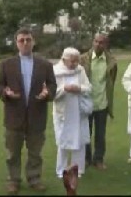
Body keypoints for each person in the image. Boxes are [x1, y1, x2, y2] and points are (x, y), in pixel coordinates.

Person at [0, 27, 57, 195]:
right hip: (14, 116)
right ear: (16, 43)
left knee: (35, 153)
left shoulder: (45, 64)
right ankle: (13, 181)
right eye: (22, 40)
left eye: (28, 40)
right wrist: (5, 93)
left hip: (37, 116)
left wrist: (47, 93)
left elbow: (52, 85)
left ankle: (34, 179)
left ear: (33, 42)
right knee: (12, 153)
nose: (25, 43)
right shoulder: (7, 65)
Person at [53, 47, 92, 179]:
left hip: (79, 111)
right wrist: (64, 89)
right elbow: (52, 94)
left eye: (77, 61)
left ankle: (78, 169)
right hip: (63, 113)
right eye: (72, 61)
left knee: (80, 141)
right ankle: (61, 170)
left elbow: (88, 87)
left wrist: (79, 88)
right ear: (64, 59)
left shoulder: (80, 70)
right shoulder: (55, 71)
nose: (75, 64)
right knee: (63, 142)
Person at [80, 33, 117, 170]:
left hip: (102, 103)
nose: (97, 44)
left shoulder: (111, 61)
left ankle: (99, 159)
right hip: (86, 103)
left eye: (101, 42)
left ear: (106, 44)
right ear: (92, 42)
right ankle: (86, 158)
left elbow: (111, 81)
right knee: (86, 133)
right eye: (96, 41)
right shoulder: (82, 59)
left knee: (100, 135)